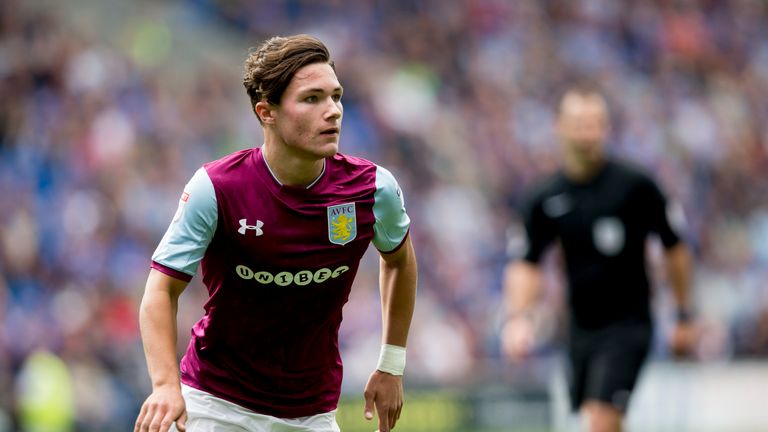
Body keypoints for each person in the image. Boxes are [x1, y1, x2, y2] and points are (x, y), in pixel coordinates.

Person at [134, 34, 417, 432]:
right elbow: (160, 290)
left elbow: (400, 261)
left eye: (336, 97)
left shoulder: (372, 188)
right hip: (217, 405)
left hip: (312, 414)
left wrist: (391, 365)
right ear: (266, 112)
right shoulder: (216, 188)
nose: (333, 111)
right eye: (312, 99)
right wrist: (165, 386)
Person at [501, 85, 695, 432]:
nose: (587, 133)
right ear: (558, 127)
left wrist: (682, 315)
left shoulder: (637, 186)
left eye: (595, 124)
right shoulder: (545, 197)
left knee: (601, 419)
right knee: (600, 416)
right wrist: (518, 318)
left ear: (606, 128)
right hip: (580, 327)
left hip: (628, 324)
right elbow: (526, 261)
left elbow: (675, 247)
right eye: (578, 123)